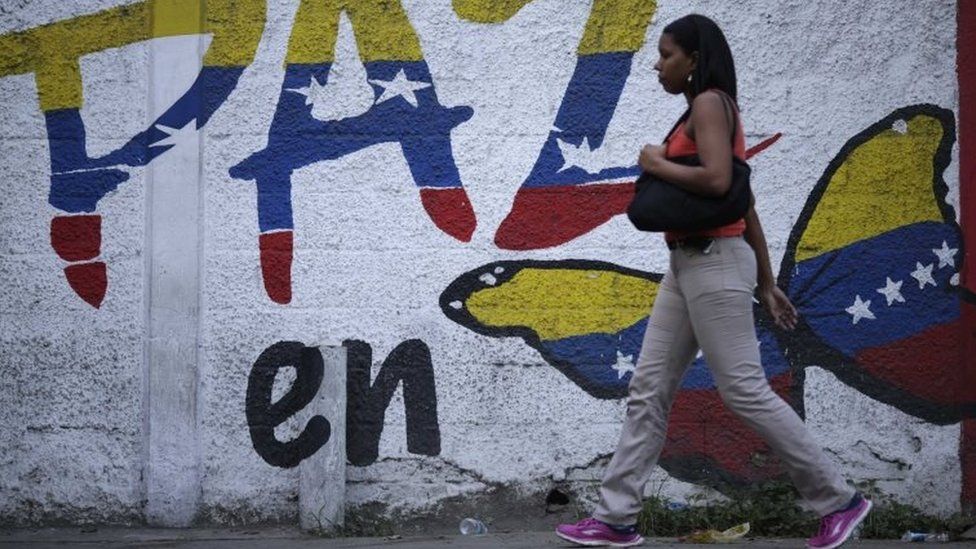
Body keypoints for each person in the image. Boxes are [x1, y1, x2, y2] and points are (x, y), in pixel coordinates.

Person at [555, 14, 871, 549]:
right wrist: (767, 281)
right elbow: (742, 200)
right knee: (648, 389)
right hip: (690, 264)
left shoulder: (709, 103)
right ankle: (616, 518)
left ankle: (838, 500)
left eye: (667, 54)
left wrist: (654, 162)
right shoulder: (700, 113)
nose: (657, 64)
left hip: (714, 262)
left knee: (743, 389)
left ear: (695, 59)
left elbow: (718, 181)